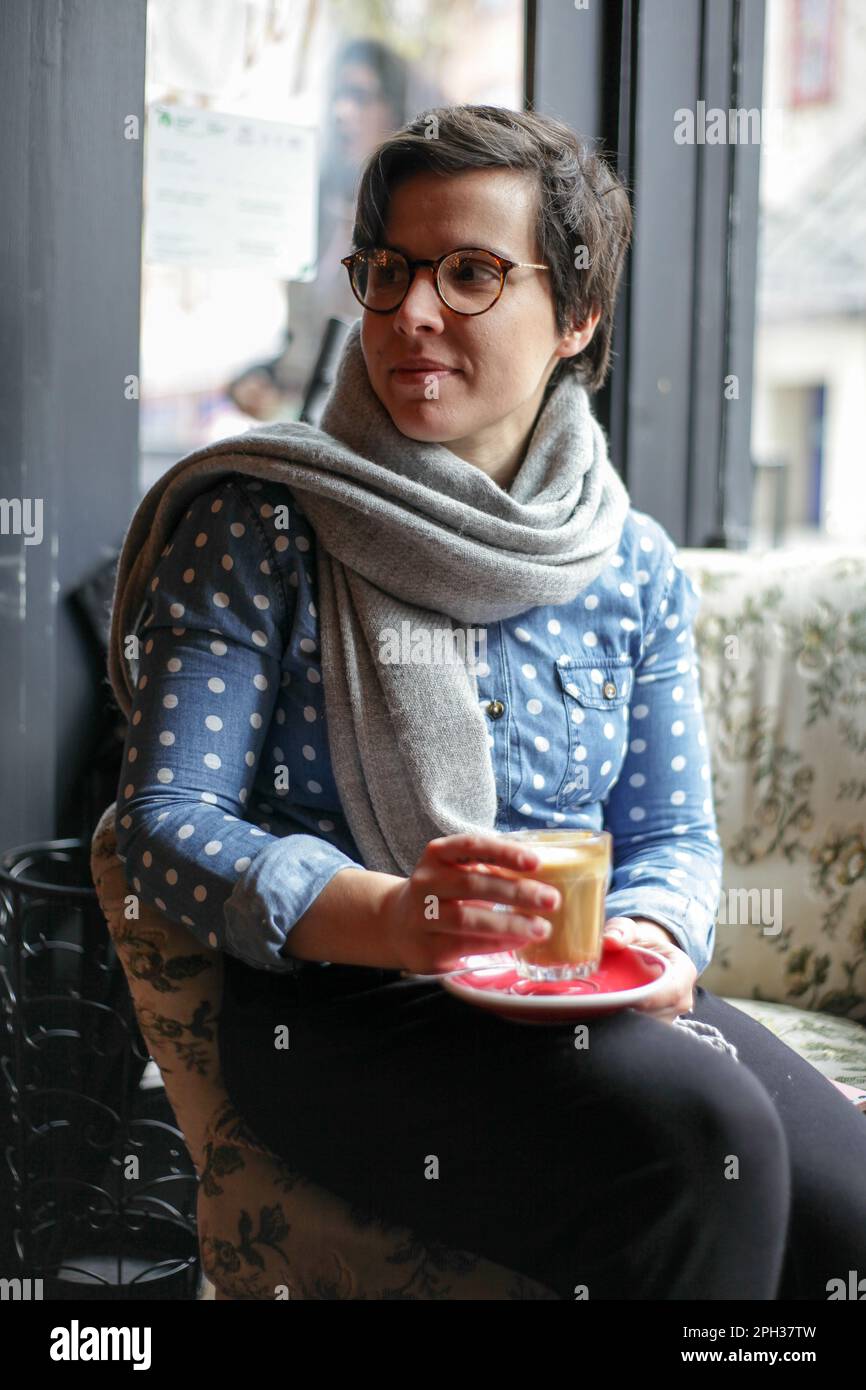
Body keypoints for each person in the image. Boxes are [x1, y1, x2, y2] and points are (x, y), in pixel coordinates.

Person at [111, 105, 866, 1300]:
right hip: (350, 1018)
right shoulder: (260, 522)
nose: (412, 312)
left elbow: (670, 837)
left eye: (469, 273)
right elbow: (163, 827)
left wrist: (656, 941)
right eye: (388, 272)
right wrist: (399, 918)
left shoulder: (629, 564)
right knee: (704, 1148)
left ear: (574, 316)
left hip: (579, 990)